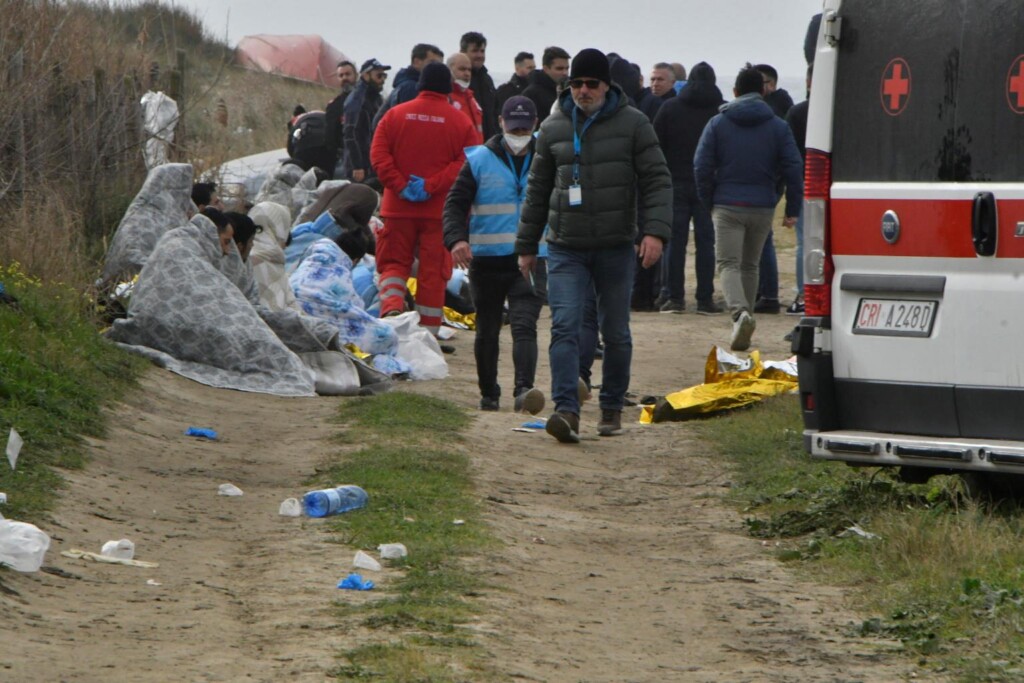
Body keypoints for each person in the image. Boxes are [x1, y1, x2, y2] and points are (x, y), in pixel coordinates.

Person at [517, 48, 672, 443]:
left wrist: (654, 233)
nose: (584, 90)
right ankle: (567, 410)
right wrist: (526, 244)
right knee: (564, 326)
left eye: (591, 84)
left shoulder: (635, 124)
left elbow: (657, 180)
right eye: (577, 83)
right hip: (566, 247)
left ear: (606, 86)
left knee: (615, 331)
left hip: (616, 246)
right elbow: (536, 191)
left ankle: (612, 405)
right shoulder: (552, 128)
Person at [444, 96, 545, 414]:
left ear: (535, 124)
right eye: (513, 126)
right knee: (487, 329)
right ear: (500, 123)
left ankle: (524, 391)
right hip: (486, 261)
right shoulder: (478, 160)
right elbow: (455, 204)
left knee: (524, 325)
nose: (519, 132)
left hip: (530, 257)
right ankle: (489, 394)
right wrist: (456, 240)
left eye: (524, 127)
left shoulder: (548, 157)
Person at [694, 66, 803, 352]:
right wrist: (791, 205)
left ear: (735, 91)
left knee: (728, 263)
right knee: (750, 264)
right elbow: (793, 166)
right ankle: (748, 317)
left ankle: (739, 313)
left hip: (727, 203)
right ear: (764, 90)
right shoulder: (778, 125)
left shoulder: (718, 123)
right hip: (762, 204)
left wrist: (708, 200)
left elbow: (701, 165)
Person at [370, 62, 479, 334]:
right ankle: (428, 334)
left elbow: (379, 156)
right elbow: (468, 162)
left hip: (397, 209)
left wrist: (400, 185)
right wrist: (431, 185)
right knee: (432, 273)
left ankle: (392, 310)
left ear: (420, 86)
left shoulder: (394, 116)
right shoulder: (460, 121)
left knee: (393, 264)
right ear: (447, 88)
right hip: (439, 212)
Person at [652, 61, 725, 315]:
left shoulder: (670, 108)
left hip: (675, 182)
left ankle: (675, 297)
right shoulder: (720, 111)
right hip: (707, 185)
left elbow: (656, 146)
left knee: (675, 242)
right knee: (706, 243)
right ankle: (705, 299)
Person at [785, 63, 812, 317]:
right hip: (838, 183)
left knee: (805, 241)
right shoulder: (846, 111)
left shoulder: (797, 112)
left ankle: (805, 295)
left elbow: (790, 157)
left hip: (807, 181)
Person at [370, 44, 444, 134]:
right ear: (416, 62)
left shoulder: (404, 86)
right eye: (432, 63)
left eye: (440, 65)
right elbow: (412, 125)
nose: (436, 68)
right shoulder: (411, 88)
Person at [342, 58, 390, 182]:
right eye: (379, 75)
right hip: (360, 168)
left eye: (384, 75)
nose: (383, 80)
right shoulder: (356, 99)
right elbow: (350, 133)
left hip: (372, 162)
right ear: (366, 75)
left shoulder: (377, 98)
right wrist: (357, 166)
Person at [460, 31, 498, 139]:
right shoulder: (456, 80)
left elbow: (495, 112)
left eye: (482, 51)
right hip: (466, 142)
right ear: (463, 52)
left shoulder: (487, 80)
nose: (480, 55)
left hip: (487, 143)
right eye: (475, 51)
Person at [522, 46, 570, 125]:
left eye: (567, 68)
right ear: (546, 69)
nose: (565, 73)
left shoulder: (572, 90)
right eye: (559, 69)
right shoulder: (531, 94)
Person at [325, 60, 357, 176]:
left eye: (348, 74)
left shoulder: (367, 100)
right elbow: (330, 138)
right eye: (341, 75)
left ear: (355, 75)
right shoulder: (334, 105)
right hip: (346, 159)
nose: (345, 78)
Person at [447, 52, 485, 143]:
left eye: (469, 70)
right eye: (462, 69)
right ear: (449, 70)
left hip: (476, 153)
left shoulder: (471, 99)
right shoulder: (445, 98)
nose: (467, 74)